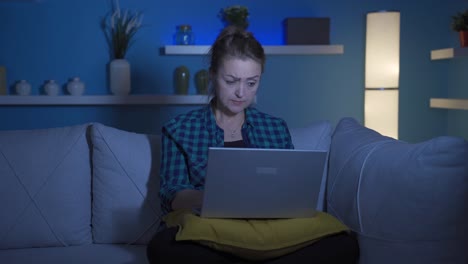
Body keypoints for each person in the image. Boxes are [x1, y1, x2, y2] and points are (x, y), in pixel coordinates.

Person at [146, 25, 359, 263]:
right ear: (213, 74)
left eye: (251, 83)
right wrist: (210, 197)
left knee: (344, 244)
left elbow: (290, 189)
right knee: (162, 247)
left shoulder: (275, 128)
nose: (241, 93)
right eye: (231, 81)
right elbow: (170, 194)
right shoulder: (179, 129)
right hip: (211, 231)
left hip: (272, 230)